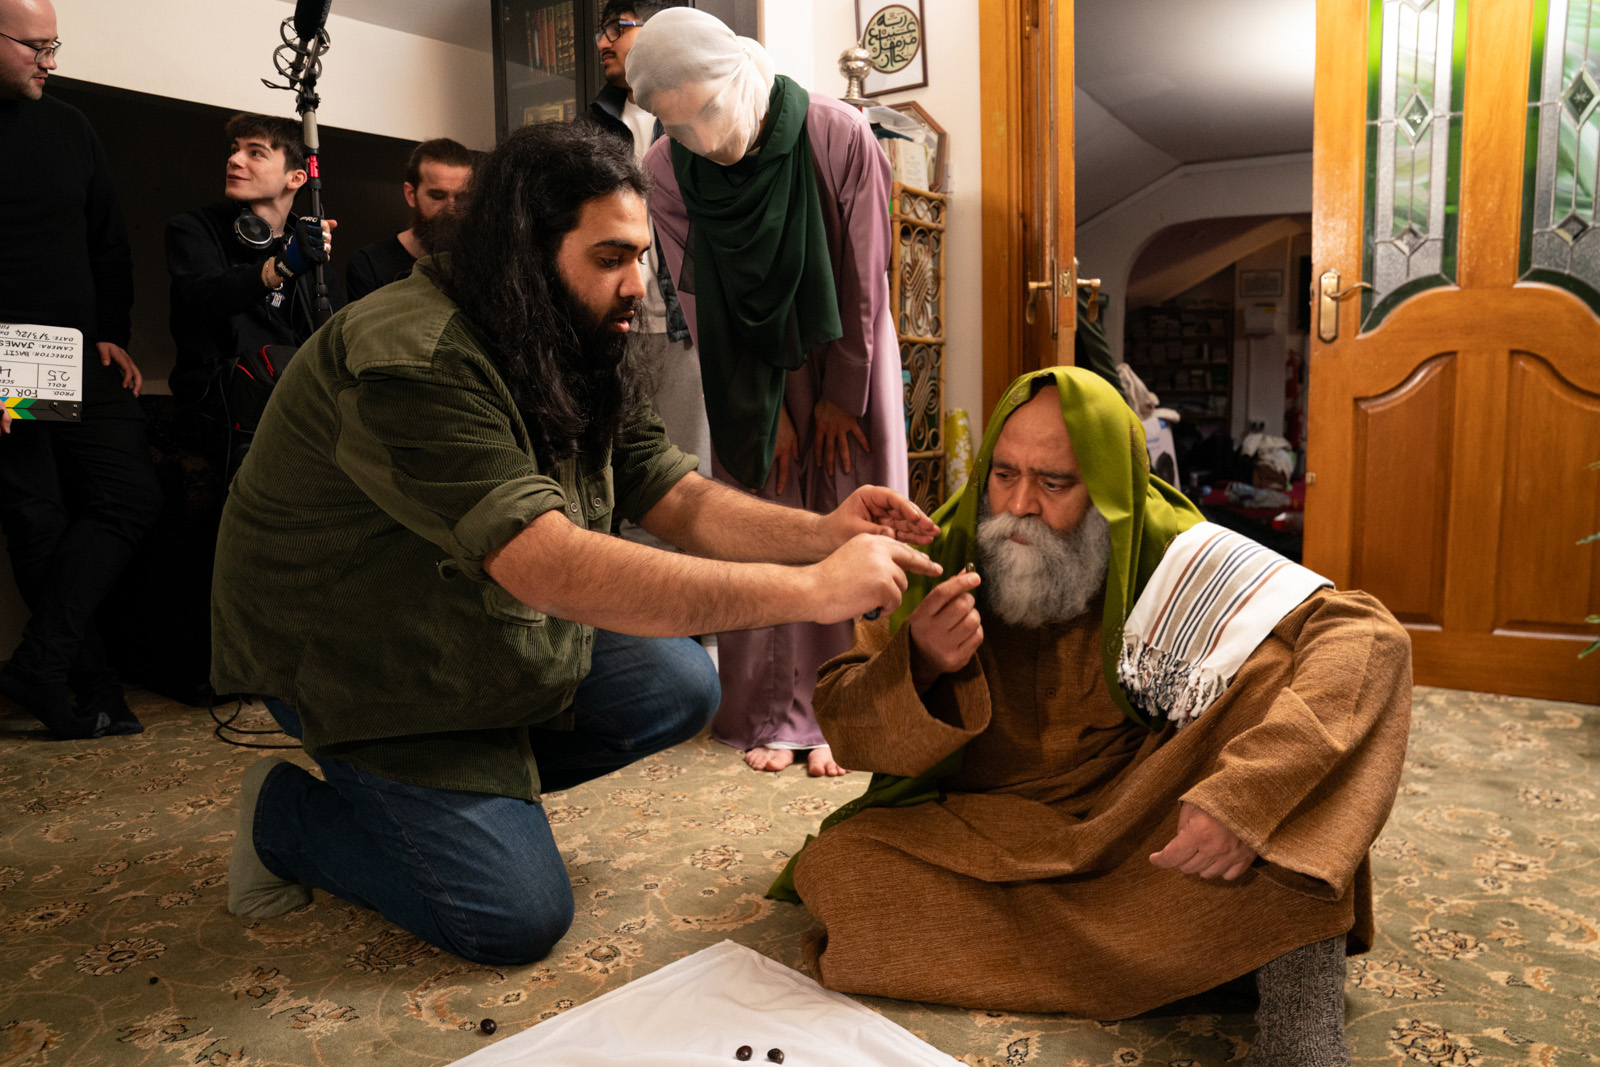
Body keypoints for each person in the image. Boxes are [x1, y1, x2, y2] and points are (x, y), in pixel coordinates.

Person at [212, 120, 941, 967]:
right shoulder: (414, 355)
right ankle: (283, 817)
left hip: (459, 616)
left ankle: (470, 788)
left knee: (679, 682)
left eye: (641, 256)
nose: (638, 284)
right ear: (525, 250)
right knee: (512, 919)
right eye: (610, 258)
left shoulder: (570, 330)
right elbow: (548, 565)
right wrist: (814, 592)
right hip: (359, 654)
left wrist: (821, 533)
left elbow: (668, 488)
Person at [779, 367, 1412, 1067]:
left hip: (1142, 822)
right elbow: (841, 719)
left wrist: (1245, 797)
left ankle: (1297, 1012)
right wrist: (919, 660)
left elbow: (1368, 634)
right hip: (996, 829)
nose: (1018, 506)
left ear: (1109, 491)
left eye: (1054, 484)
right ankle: (1212, 950)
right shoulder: (948, 547)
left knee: (1280, 688)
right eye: (1005, 474)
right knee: (840, 869)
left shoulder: (1171, 546)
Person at [630, 9, 908, 776]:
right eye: (679, 125)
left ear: (740, 74)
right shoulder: (664, 170)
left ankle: (844, 709)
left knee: (848, 495)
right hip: (744, 367)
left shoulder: (835, 131)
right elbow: (704, 303)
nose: (706, 140)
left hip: (845, 351)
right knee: (766, 509)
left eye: (712, 110)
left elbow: (863, 276)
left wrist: (837, 395)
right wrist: (770, 412)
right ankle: (768, 709)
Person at [0, 0, 159, 739]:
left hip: (71, 354)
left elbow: (107, 241)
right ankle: (90, 690)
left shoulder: (70, 127)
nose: (51, 60)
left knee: (127, 497)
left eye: (53, 44)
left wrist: (112, 333)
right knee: (39, 519)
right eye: (36, 46)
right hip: (10, 362)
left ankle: (41, 663)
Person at [585, 0, 711, 548]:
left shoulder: (698, 118)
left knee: (692, 469)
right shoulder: (591, 129)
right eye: (600, 31)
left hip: (690, 323)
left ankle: (704, 621)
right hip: (614, 323)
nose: (602, 43)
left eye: (616, 27)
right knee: (623, 467)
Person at [165, 112, 339, 438]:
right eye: (234, 149)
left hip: (291, 408)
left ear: (297, 178)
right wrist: (283, 266)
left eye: (255, 152)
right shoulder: (193, 229)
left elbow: (332, 333)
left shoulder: (305, 247)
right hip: (219, 410)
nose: (234, 159)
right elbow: (208, 296)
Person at [345, 137, 474, 301]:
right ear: (411, 195)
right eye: (438, 196)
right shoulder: (370, 265)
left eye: (462, 197)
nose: (451, 208)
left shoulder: (478, 261)